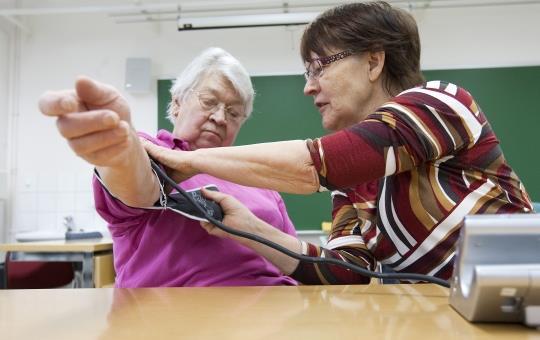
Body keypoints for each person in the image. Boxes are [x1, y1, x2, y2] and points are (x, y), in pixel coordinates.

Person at [142, 2, 533, 285]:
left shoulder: (441, 102)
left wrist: (191, 161)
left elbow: (318, 164)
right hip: (440, 318)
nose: (308, 85)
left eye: (319, 66)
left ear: (374, 62)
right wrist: (250, 227)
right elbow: (346, 269)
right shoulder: (354, 182)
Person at [38, 47, 297, 287]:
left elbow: (296, 260)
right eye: (209, 101)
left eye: (233, 112)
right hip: (175, 320)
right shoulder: (153, 152)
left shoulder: (258, 179)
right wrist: (120, 151)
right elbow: (138, 185)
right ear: (177, 103)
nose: (220, 118)